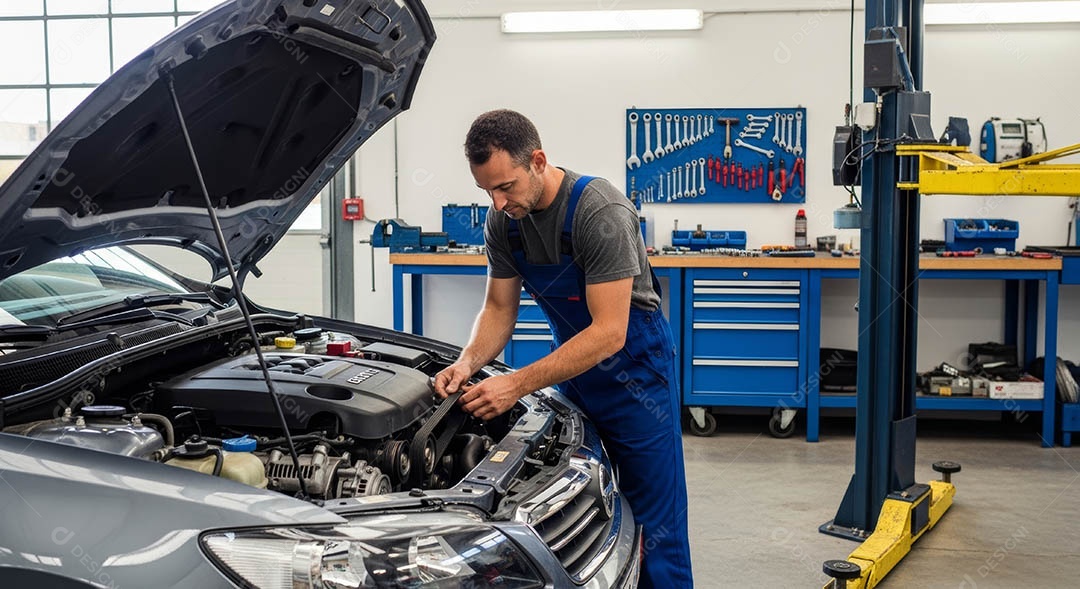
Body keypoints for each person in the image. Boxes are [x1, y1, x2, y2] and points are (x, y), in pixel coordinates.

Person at [433, 109, 693, 589]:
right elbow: (497, 309)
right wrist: (468, 362)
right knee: (578, 517)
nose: (497, 201)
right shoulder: (503, 223)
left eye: (506, 186)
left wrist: (516, 383)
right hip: (572, 376)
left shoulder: (600, 212)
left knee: (656, 528)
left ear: (537, 160)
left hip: (636, 378)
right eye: (486, 190)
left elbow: (610, 331)